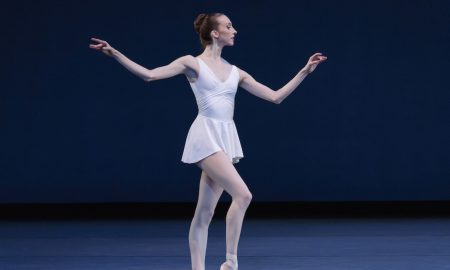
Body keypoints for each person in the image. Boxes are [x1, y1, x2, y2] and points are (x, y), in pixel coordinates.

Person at [89, 12, 327, 270]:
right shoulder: (192, 63)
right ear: (215, 33)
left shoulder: (236, 72)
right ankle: (231, 263)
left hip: (224, 137)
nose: (234, 30)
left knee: (204, 214)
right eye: (228, 26)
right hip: (205, 136)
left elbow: (275, 97)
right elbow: (150, 75)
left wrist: (304, 71)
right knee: (243, 195)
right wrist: (115, 54)